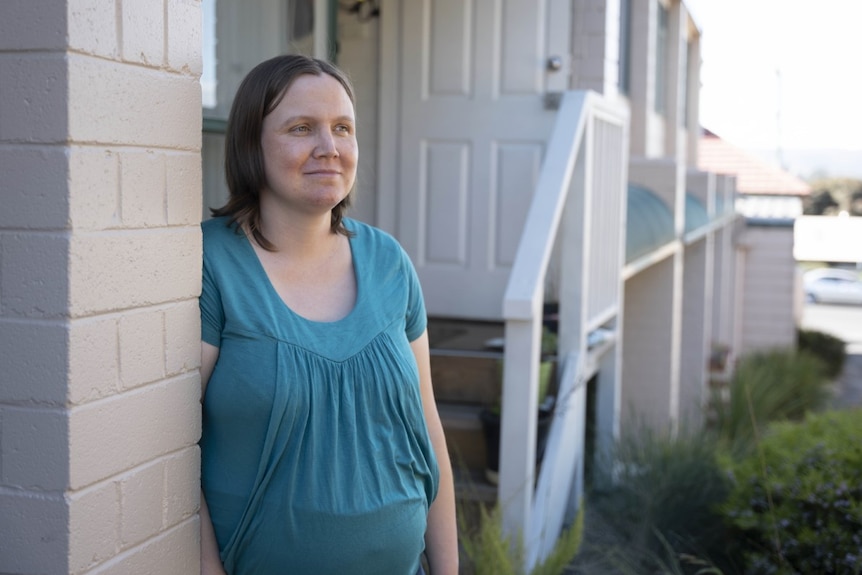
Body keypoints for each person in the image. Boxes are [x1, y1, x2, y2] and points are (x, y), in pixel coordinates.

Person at [198, 54, 458, 575]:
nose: (329, 148)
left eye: (343, 128)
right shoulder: (209, 266)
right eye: (301, 128)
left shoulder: (390, 262)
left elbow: (428, 429)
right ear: (252, 143)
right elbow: (173, 451)